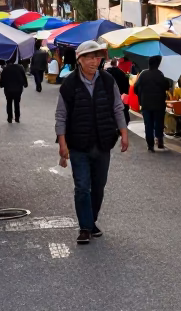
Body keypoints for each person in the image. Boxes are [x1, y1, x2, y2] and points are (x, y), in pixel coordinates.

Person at [56, 40, 128, 244]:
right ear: (80, 60)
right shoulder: (69, 84)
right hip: (78, 144)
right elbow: (61, 116)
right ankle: (85, 227)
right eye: (89, 57)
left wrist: (124, 133)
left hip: (103, 142)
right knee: (82, 186)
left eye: (97, 57)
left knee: (98, 186)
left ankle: (91, 220)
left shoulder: (107, 81)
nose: (94, 61)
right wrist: (62, 144)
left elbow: (117, 108)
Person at [133, 55, 172, 152]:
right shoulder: (160, 74)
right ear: (158, 64)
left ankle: (150, 144)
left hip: (146, 103)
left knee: (148, 124)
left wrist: (141, 95)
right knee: (159, 122)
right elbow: (167, 86)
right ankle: (159, 140)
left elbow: (135, 88)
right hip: (159, 104)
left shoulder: (143, 74)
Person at [0, 58, 28, 123]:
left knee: (9, 102)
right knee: (17, 103)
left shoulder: (5, 69)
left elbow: (2, 81)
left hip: (8, 89)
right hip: (18, 89)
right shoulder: (20, 67)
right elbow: (24, 77)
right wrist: (25, 84)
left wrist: (2, 85)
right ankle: (17, 117)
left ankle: (9, 117)